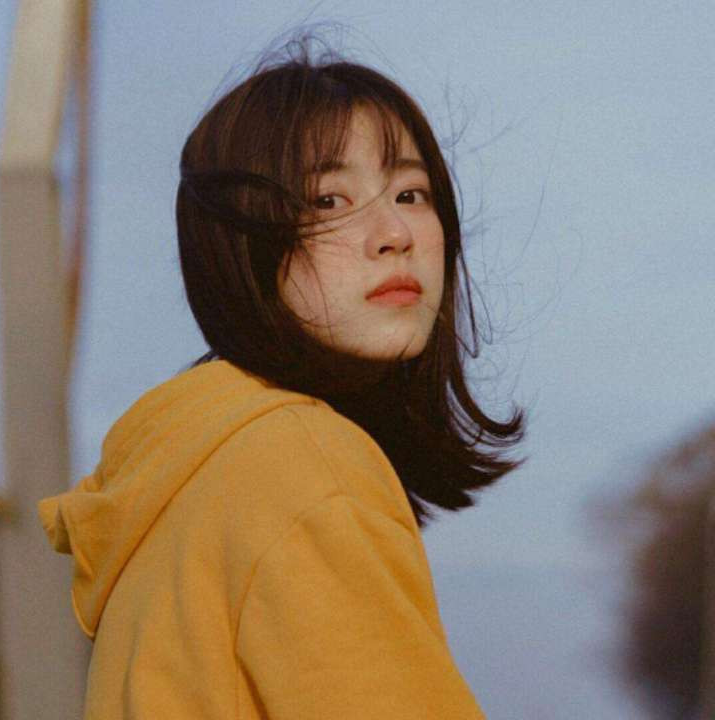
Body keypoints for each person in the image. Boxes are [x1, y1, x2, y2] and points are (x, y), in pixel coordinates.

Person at [38, 33, 527, 719]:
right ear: (243, 244)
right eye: (328, 201)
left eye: (411, 193)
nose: (395, 233)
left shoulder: (194, 471)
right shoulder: (304, 462)